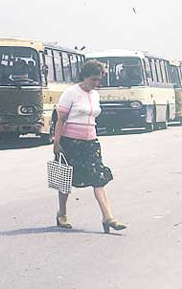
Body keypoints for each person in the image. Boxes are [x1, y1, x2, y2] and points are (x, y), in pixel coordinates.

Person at [53, 59, 125, 233]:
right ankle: (62, 214)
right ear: (85, 76)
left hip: (91, 142)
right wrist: (57, 143)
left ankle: (108, 217)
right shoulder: (71, 93)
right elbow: (60, 120)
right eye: (93, 79)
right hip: (71, 143)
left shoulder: (95, 95)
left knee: (98, 178)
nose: (96, 83)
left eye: (99, 79)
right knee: (66, 179)